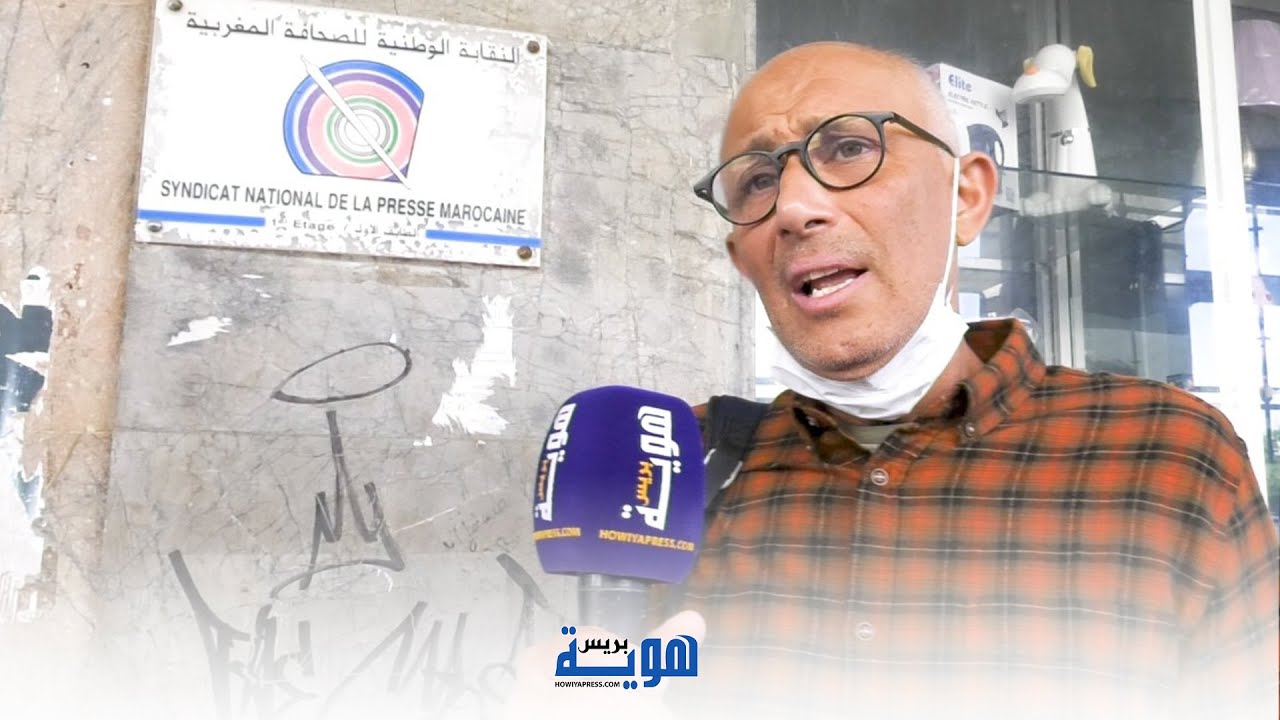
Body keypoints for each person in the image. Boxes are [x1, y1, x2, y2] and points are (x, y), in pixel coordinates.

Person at [513, 41, 1279, 720]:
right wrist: (572, 689)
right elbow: (606, 672)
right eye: (756, 182)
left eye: (849, 147)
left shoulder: (1170, 456)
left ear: (966, 198)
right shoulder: (674, 465)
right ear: (741, 257)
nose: (794, 208)